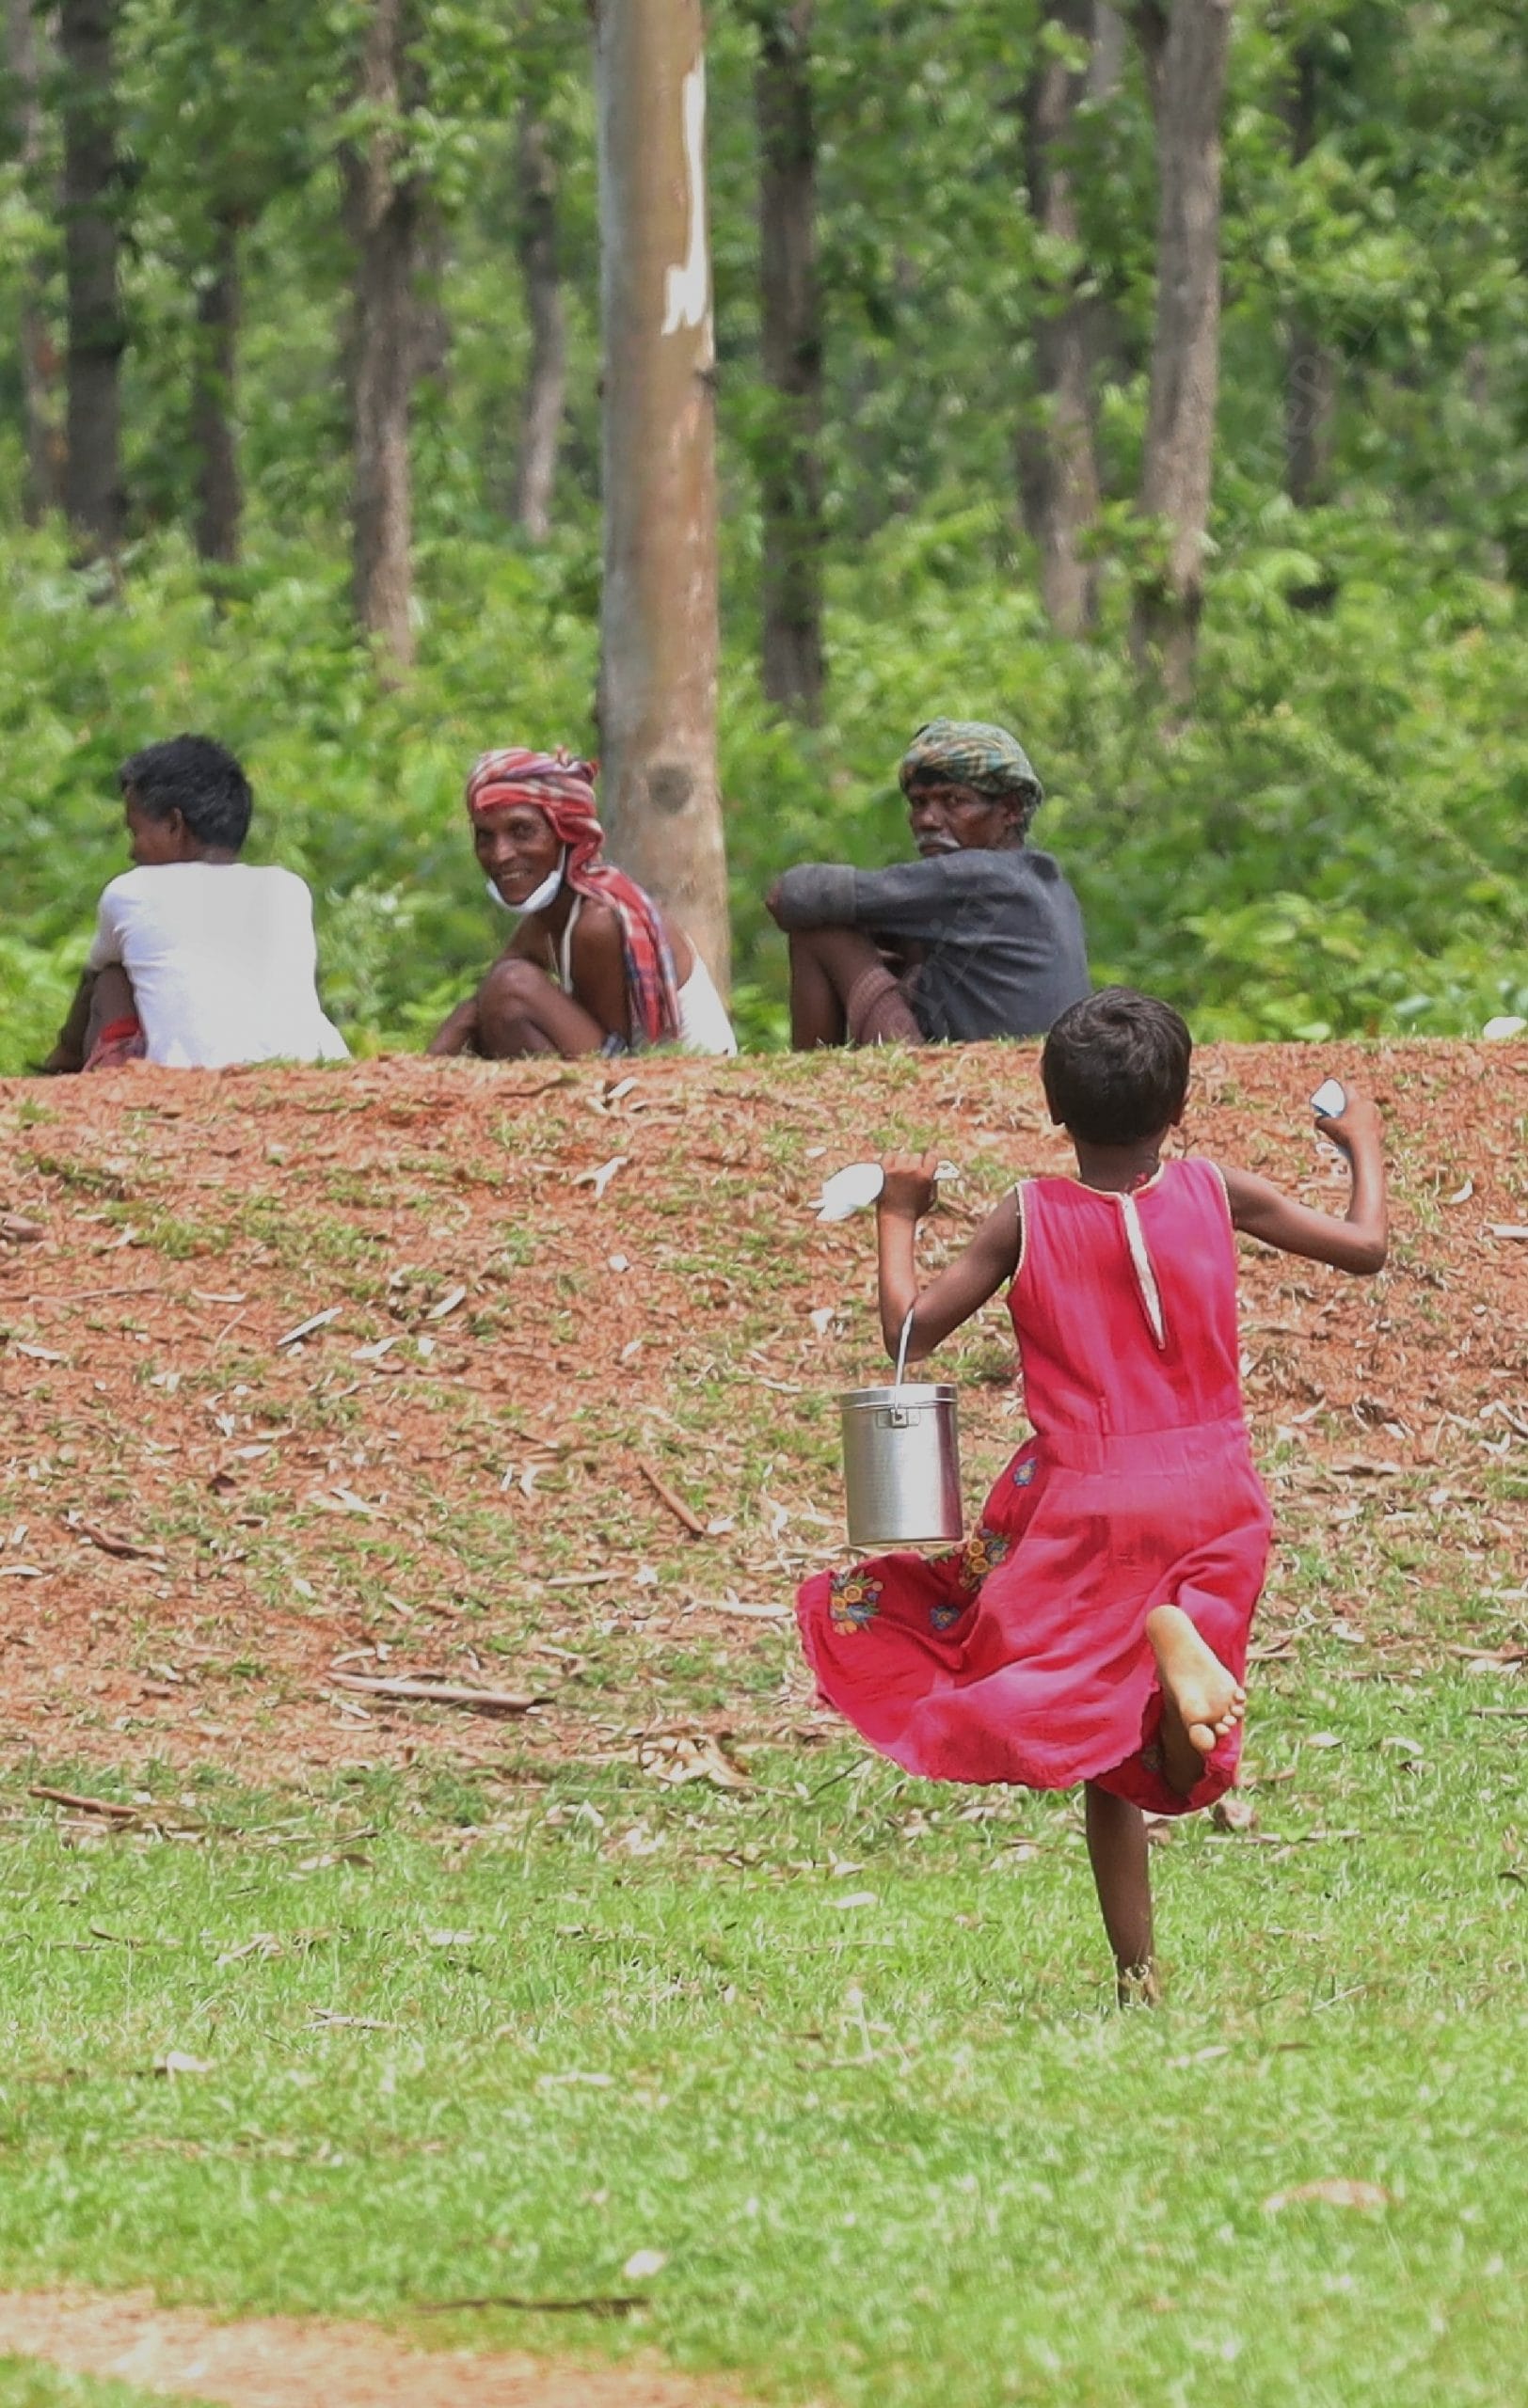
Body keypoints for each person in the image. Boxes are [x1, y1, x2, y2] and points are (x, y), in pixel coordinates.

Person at [795, 989, 1389, 2003]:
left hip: (1084, 1500)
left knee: (1092, 1745)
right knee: (1165, 1746)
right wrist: (1360, 1143)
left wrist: (896, 1215)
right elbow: (1364, 1246)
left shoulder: (1027, 1215)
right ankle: (1176, 1658)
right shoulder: (1213, 1189)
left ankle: (1137, 1975)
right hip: (1214, 1490)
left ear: (1054, 1110)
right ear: (1181, 1103)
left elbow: (910, 1332)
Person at [765, 717, 1090, 1048]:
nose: (927, 820)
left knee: (822, 932)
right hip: (1043, 1082)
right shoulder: (1051, 886)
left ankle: (814, 1078)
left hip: (973, 1083)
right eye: (919, 803)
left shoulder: (977, 874)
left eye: (953, 801)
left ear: (1010, 809)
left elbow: (789, 896)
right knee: (907, 943)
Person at [42, 736, 348, 1074]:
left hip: (192, 1082)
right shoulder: (287, 888)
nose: (133, 852)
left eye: (136, 832)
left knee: (110, 978)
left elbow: (91, 984)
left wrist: (62, 1057)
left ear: (174, 824)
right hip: (311, 1072)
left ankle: (107, 1082)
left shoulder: (132, 890)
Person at [429, 747, 737, 1060]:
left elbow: (611, 1064)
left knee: (511, 990)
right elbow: (477, 1008)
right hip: (629, 1074)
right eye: (485, 837)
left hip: (675, 1086)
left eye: (522, 831)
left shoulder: (598, 922)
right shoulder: (547, 918)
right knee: (500, 992)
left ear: (568, 835)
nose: (501, 854)